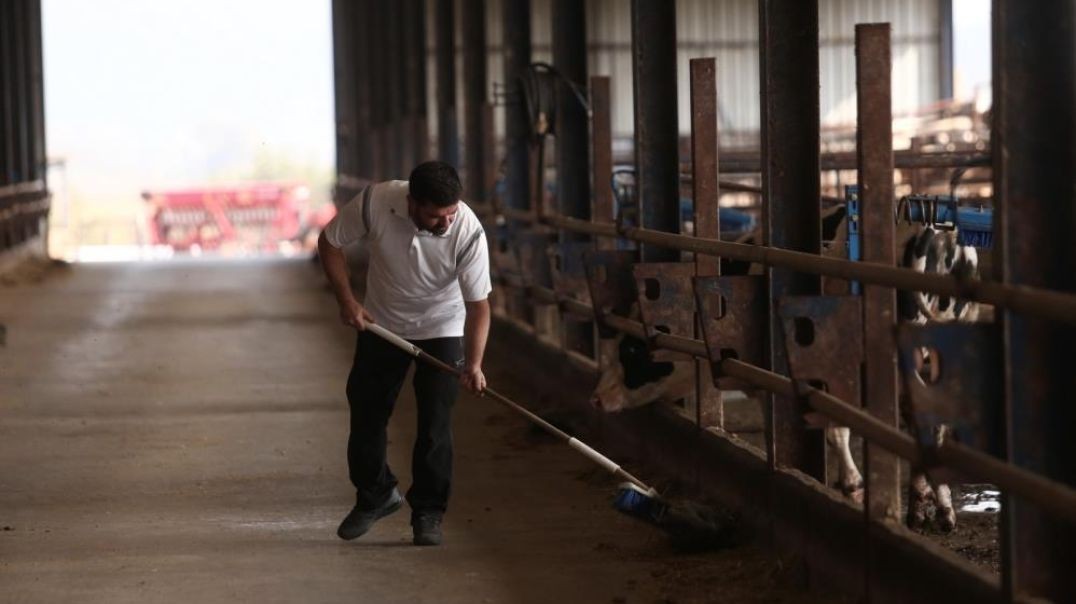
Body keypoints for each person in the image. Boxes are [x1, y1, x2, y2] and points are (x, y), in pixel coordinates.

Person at [317, 161, 491, 546]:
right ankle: (376, 494)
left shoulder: (468, 231)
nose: (445, 223)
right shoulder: (375, 202)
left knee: (434, 423)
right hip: (383, 322)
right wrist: (347, 301)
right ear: (412, 202)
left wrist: (474, 364)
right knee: (366, 411)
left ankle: (428, 511)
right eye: (435, 215)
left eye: (451, 213)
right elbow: (329, 243)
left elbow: (480, 306)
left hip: (442, 325)